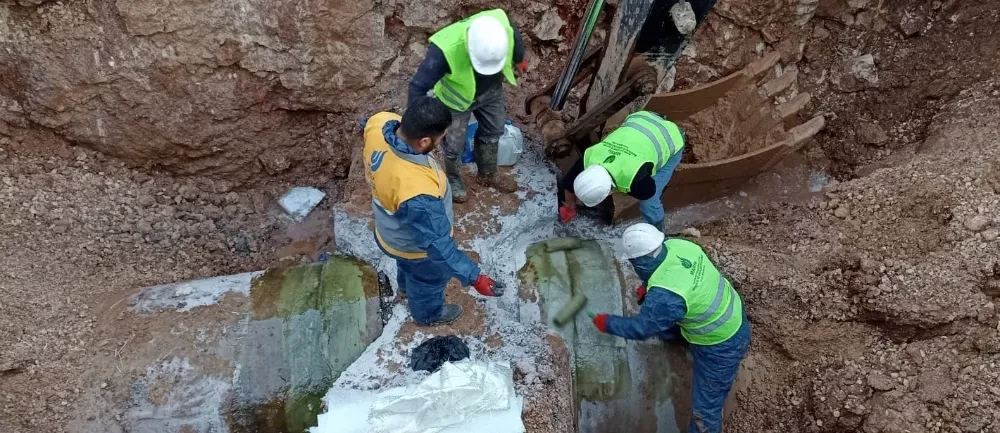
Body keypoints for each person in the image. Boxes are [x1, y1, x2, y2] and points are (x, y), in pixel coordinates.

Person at [590, 223, 751, 433]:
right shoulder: (678, 245)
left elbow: (641, 329)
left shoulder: (665, 298)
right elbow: (671, 272)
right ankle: (674, 335)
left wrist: (608, 323)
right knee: (665, 320)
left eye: (633, 263)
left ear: (639, 261)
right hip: (731, 309)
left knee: (705, 410)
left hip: (721, 343)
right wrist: (647, 287)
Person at [362, 96, 505, 326]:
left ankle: (406, 290)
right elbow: (439, 248)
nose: (444, 139)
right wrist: (475, 277)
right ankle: (428, 314)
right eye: (441, 136)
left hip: (387, 230)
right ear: (424, 141)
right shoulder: (418, 192)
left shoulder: (380, 123)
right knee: (427, 280)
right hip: (413, 248)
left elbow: (365, 125)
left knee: (407, 268)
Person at [408, 9, 529, 203]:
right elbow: (417, 86)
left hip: (491, 90)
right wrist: (415, 126)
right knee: (454, 144)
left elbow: (514, 34)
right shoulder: (444, 50)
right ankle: (454, 179)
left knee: (494, 130)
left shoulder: (500, 26)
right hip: (455, 101)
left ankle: (488, 173)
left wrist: (519, 57)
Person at [557, 110, 685, 230]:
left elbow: (649, 192)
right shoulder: (589, 158)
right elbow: (569, 182)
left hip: (671, 136)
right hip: (641, 118)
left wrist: (623, 188)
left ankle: (657, 231)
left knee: (649, 203)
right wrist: (570, 207)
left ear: (609, 191)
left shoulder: (635, 180)